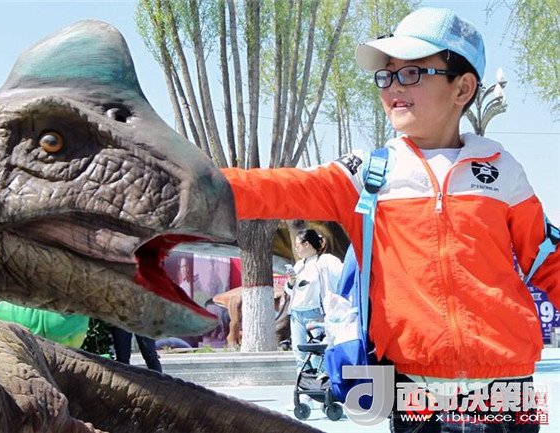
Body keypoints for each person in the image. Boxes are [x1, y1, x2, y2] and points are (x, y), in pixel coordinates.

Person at [222, 7, 558, 432]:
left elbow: (548, 261)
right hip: (413, 391)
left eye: (413, 73)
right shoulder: (369, 173)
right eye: (387, 75)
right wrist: (190, 180)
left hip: (507, 390)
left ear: (463, 88)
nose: (394, 86)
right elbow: (280, 188)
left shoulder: (501, 170)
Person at [285, 229, 343, 374]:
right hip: (296, 314)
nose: (296, 248)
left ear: (307, 244)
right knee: (299, 354)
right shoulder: (299, 265)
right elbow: (290, 290)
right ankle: (304, 385)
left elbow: (341, 275)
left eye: (297, 245)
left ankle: (321, 383)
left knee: (317, 354)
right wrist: (291, 282)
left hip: (315, 314)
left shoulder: (326, 260)